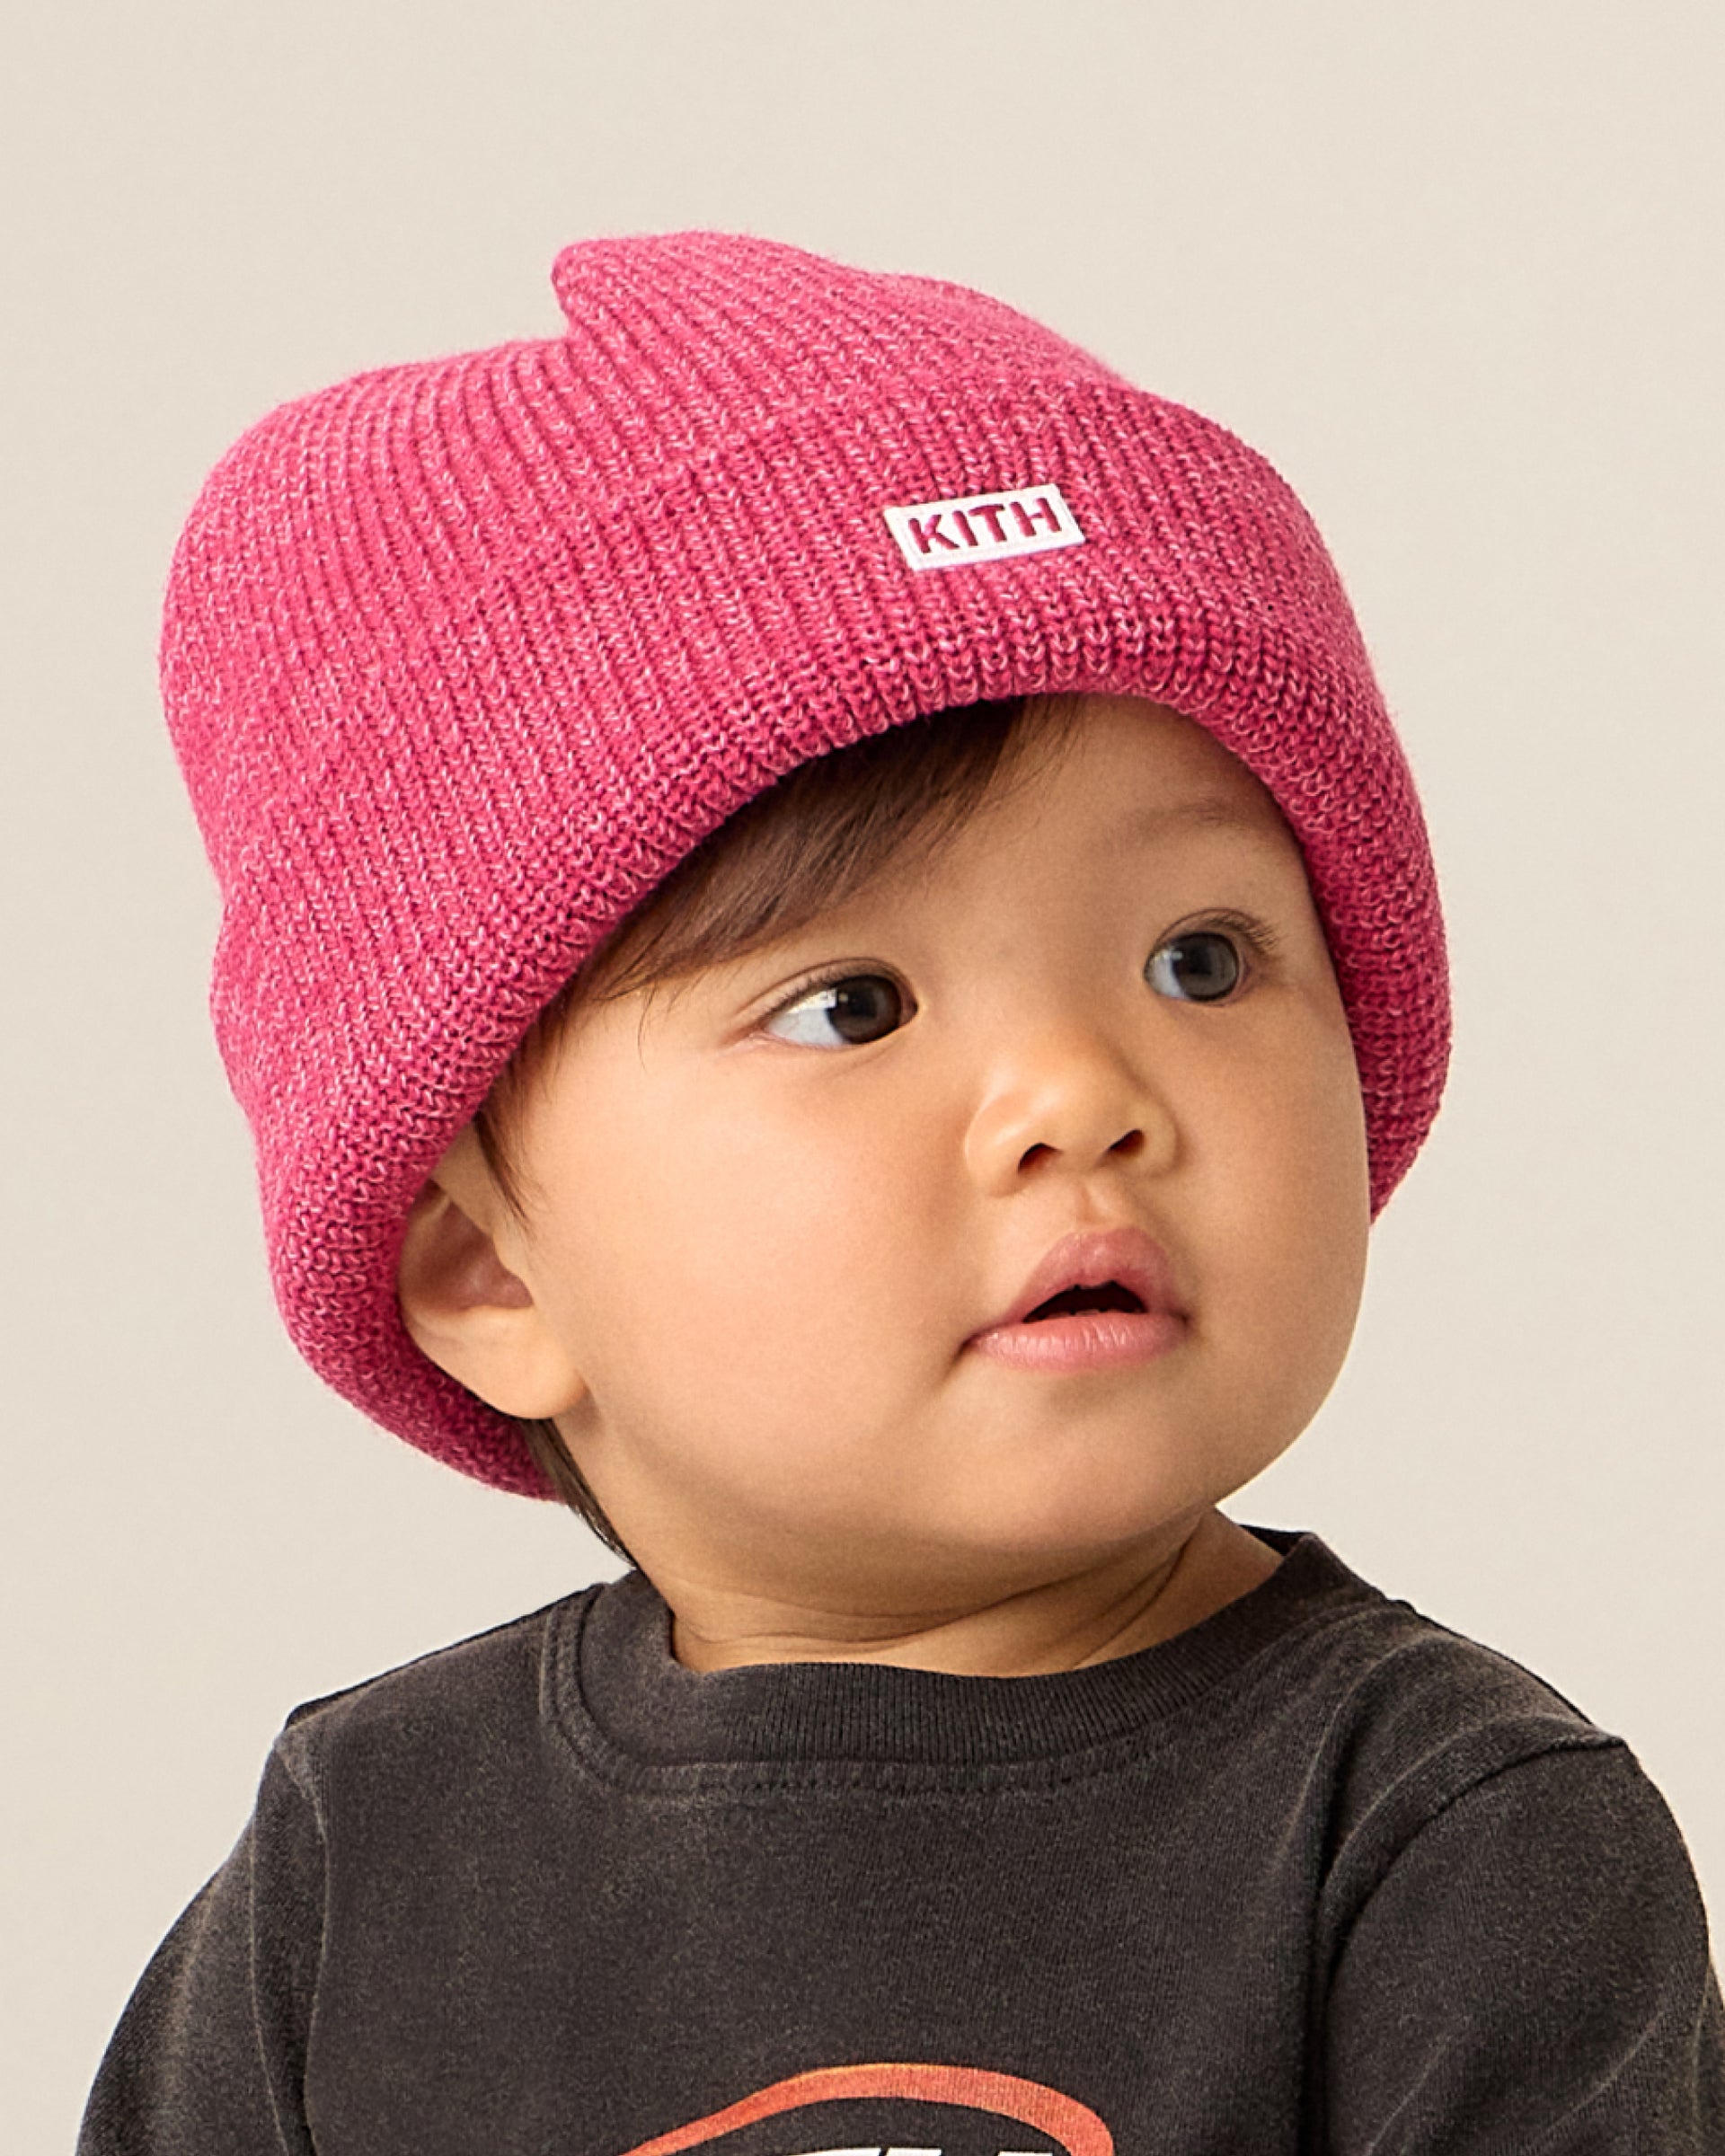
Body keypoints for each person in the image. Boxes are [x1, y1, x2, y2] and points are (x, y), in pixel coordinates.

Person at [80, 231, 1721, 2155]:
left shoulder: (1444, 1845)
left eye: (1197, 961)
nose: (1080, 1096)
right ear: (487, 1269)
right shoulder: (362, 1871)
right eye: (850, 1005)